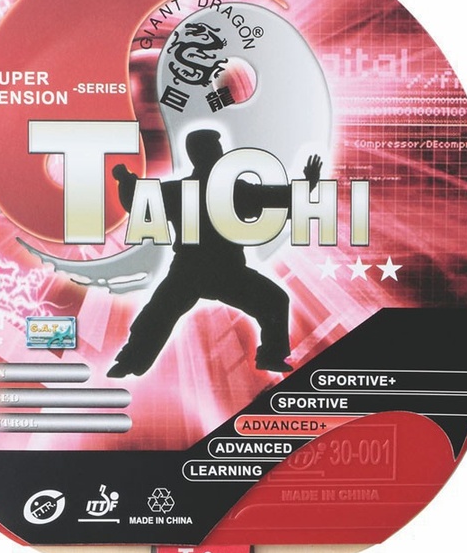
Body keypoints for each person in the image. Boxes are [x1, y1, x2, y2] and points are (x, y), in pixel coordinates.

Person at [107, 129, 321, 377]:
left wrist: (125, 179)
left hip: (199, 270)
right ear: (208, 153)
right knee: (159, 312)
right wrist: (307, 185)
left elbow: (137, 201)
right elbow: (275, 199)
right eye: (214, 149)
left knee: (159, 312)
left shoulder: (185, 190)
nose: (219, 153)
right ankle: (130, 361)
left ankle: (130, 361)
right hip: (216, 271)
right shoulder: (231, 190)